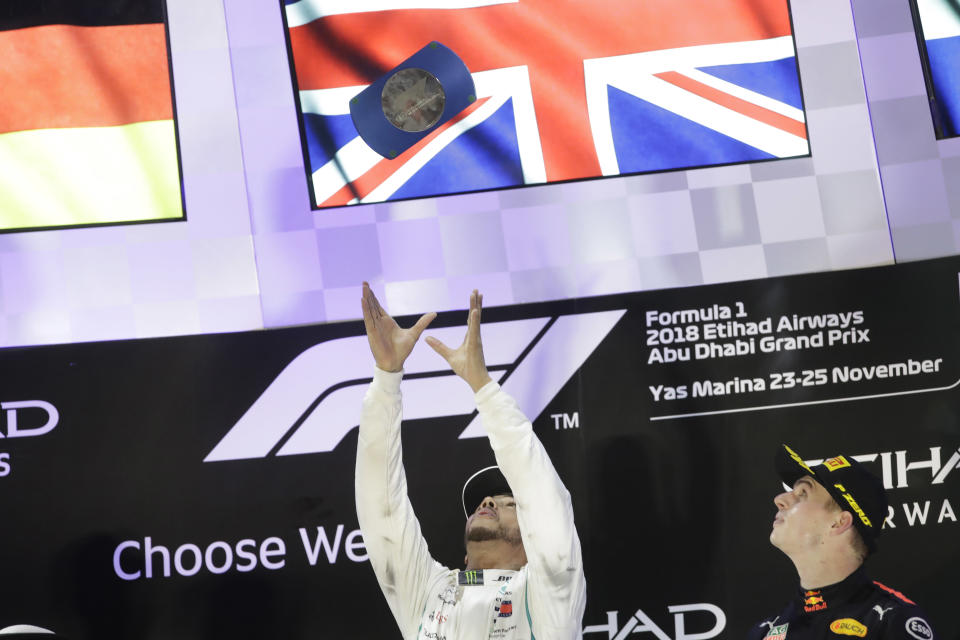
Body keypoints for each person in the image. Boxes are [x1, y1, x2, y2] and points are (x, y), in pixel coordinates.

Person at [355, 283, 586, 640]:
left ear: (534, 544)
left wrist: (484, 388)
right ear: (464, 556)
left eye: (512, 504)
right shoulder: (430, 595)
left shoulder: (548, 593)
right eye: (487, 501)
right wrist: (386, 379)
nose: (488, 501)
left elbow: (543, 497)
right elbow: (382, 513)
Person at [749, 444, 936, 640]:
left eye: (803, 493)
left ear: (839, 522)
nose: (779, 499)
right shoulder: (764, 632)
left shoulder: (891, 622)